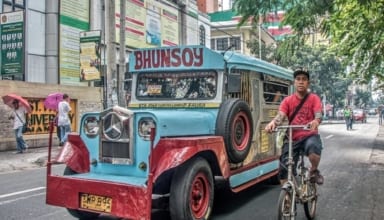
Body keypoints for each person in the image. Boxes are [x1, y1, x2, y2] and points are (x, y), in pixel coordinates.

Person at [265, 68, 324, 185]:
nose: (301, 82)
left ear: (308, 83)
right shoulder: (287, 101)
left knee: (314, 149)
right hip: (292, 138)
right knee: (283, 171)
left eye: (304, 79)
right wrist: (273, 123)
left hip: (309, 135)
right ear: (294, 82)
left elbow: (318, 114)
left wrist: (316, 121)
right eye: (298, 79)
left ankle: (313, 170)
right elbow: (280, 116)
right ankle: (287, 199)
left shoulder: (314, 98)